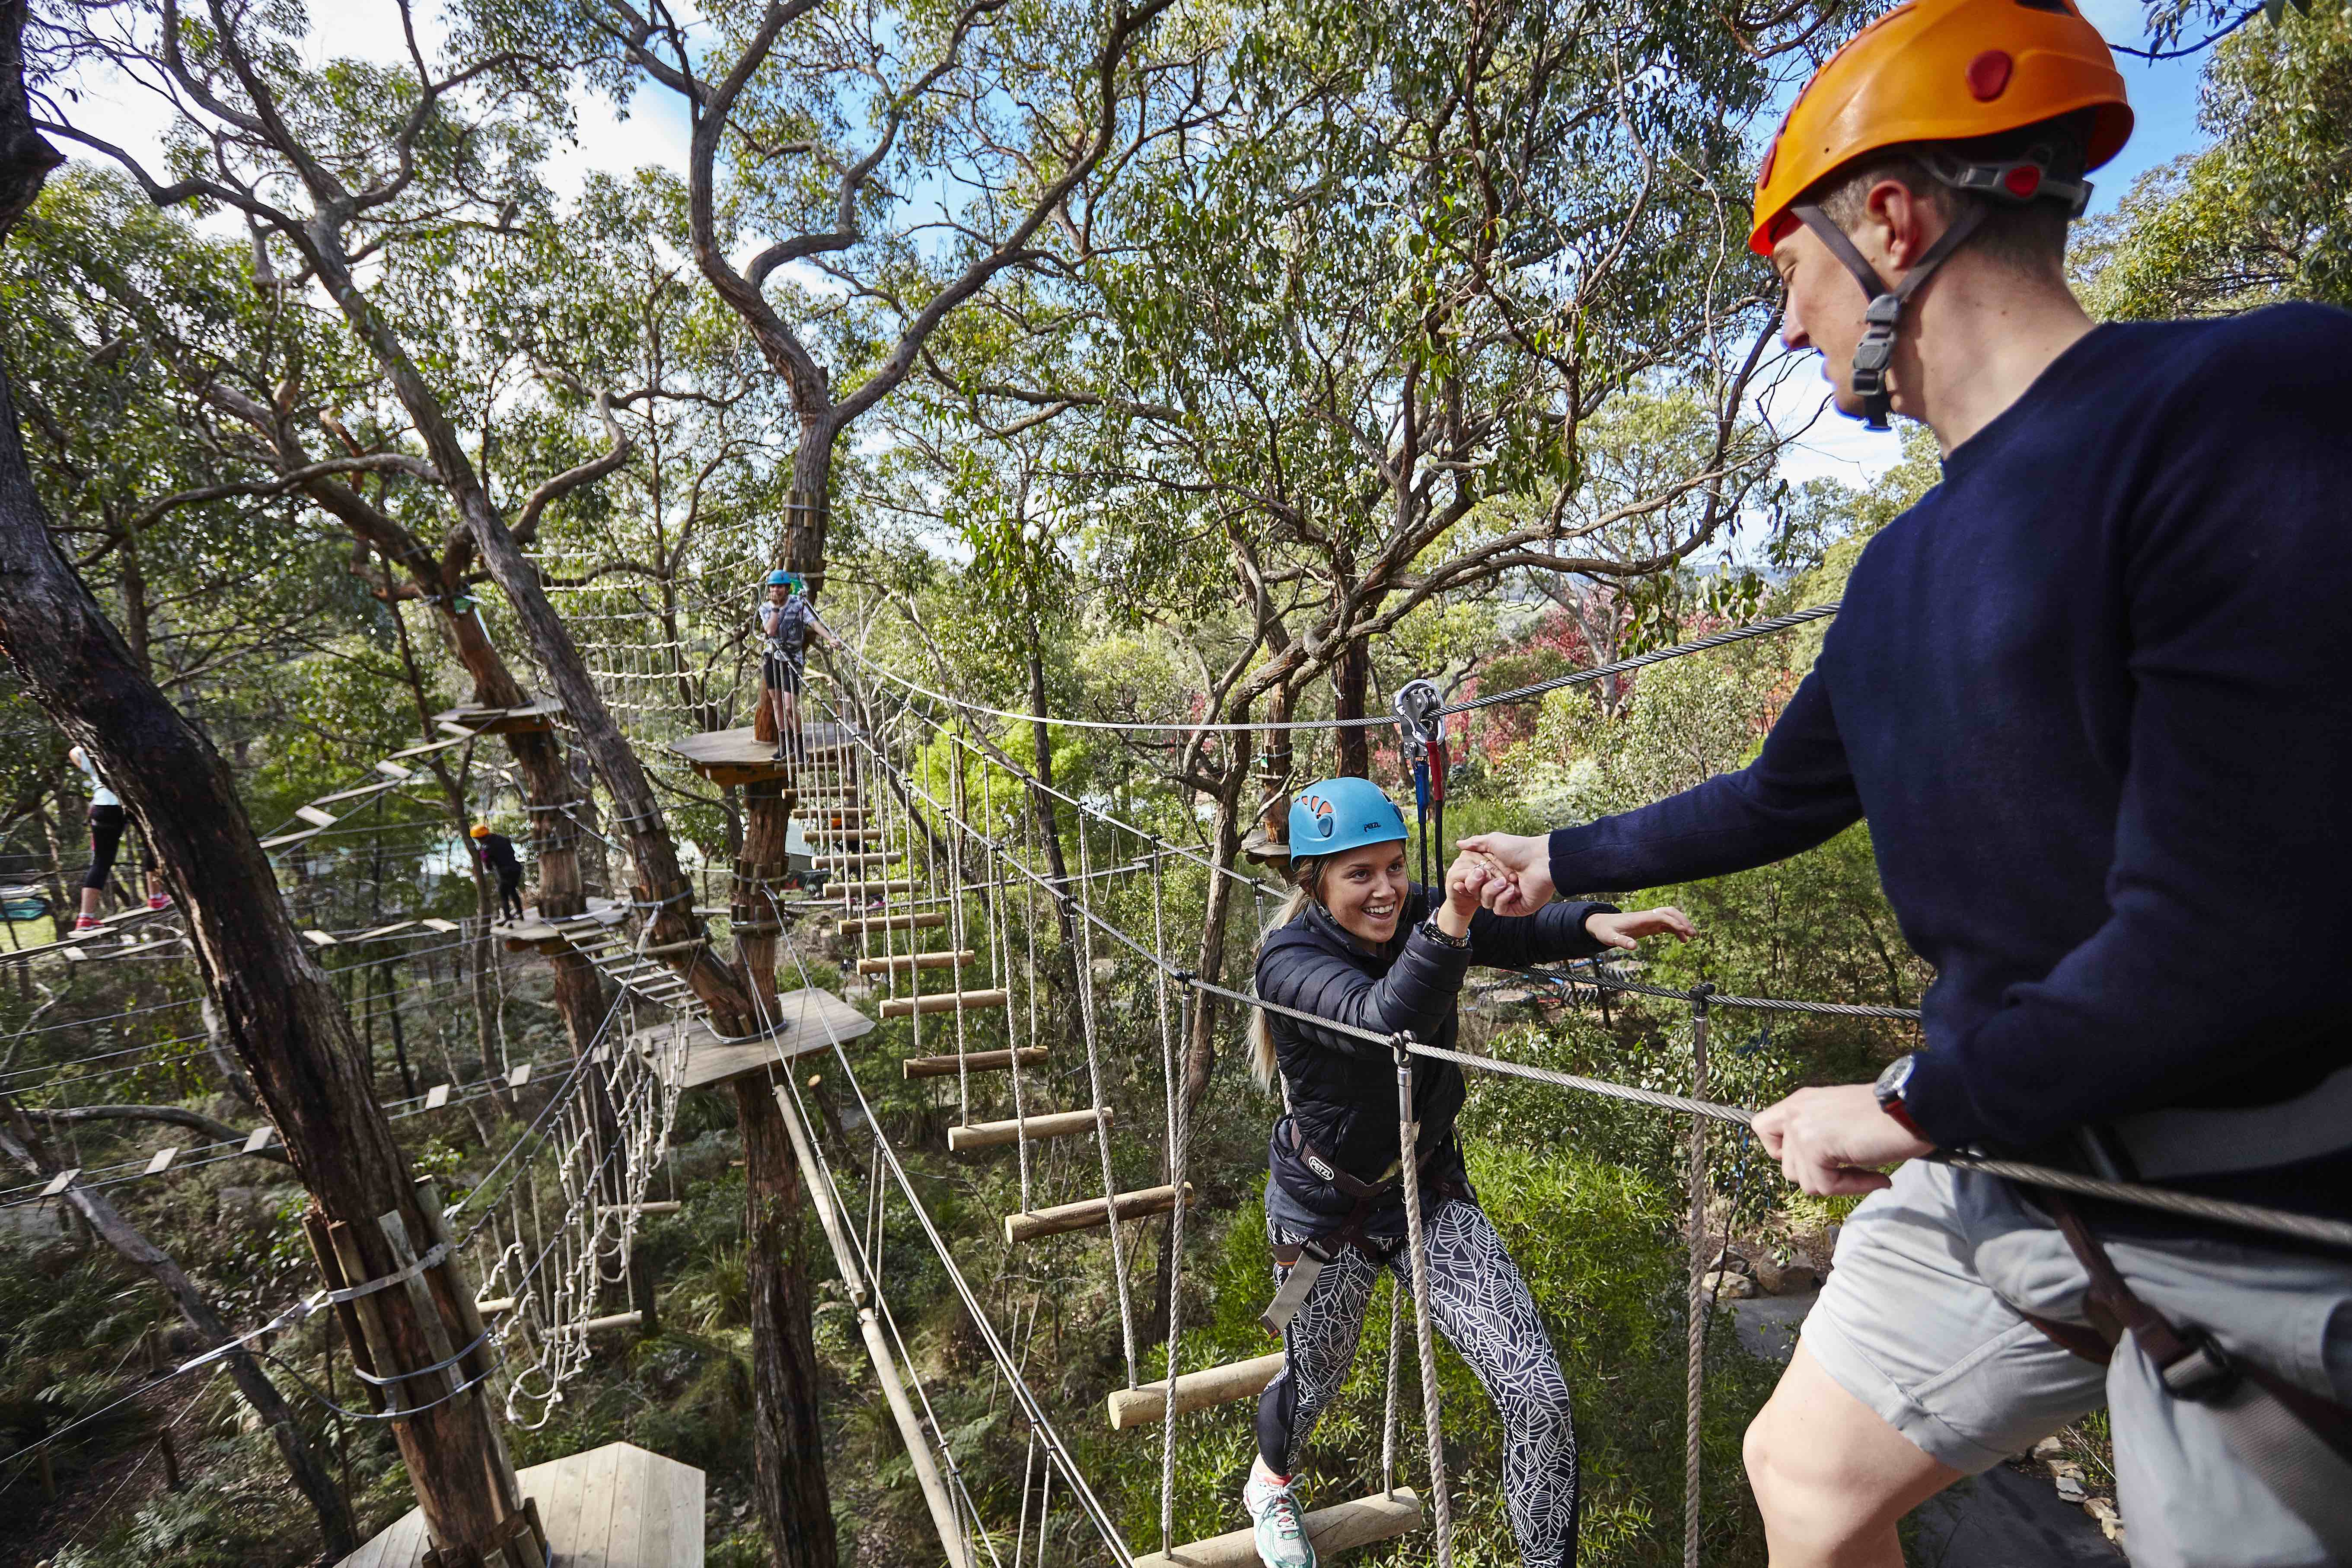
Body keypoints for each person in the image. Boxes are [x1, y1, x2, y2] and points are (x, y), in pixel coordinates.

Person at [1460, 1, 2352, 1561]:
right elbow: (1770, 794)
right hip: (2010, 1164)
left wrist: (1903, 1105)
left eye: (1791, 274)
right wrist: (1556, 848)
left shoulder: (2241, 407)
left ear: (1890, 219)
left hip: (2256, 1190)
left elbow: (2222, 936)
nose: (1790, 322)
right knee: (1803, 1476)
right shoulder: (1893, 578)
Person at [1243, 777, 1695, 1568]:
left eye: (1394, 868)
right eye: (1360, 874)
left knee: (1539, 1396)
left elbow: (1513, 933)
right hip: (1320, 1213)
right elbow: (1387, 1023)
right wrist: (1448, 917)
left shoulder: (1417, 913)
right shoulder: (1287, 960)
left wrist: (1595, 920)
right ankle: (1271, 1482)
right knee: (1311, 1373)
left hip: (1426, 1193)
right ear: (1312, 882)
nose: (1386, 890)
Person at [67, 744, 168, 932]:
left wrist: (89, 769)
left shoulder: (91, 746)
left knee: (101, 861)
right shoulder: (124, 741)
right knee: (153, 846)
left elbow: (73, 752)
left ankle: (85, 918)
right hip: (132, 802)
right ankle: (155, 897)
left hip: (103, 806)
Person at [755, 569, 836, 763]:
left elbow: (813, 623)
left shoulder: (798, 605)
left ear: (787, 588)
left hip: (792, 660)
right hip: (772, 658)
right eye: (773, 587)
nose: (777, 590)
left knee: (790, 706)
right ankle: (784, 746)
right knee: (777, 704)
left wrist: (830, 638)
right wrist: (775, 608)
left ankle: (799, 746)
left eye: (780, 586)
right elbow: (771, 631)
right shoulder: (765, 608)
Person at [470, 823, 525, 924]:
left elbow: (488, 864)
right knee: (513, 891)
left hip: (503, 872)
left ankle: (508, 918)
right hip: (516, 869)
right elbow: (512, 852)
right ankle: (520, 913)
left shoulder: (486, 848)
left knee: (504, 895)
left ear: (479, 838)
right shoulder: (502, 839)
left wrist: (491, 868)